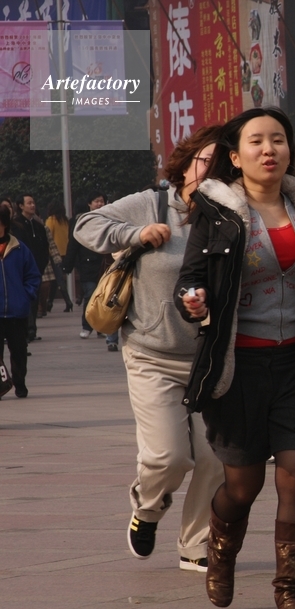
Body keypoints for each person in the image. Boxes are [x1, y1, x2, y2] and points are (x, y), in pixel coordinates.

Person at [174, 107, 295, 609]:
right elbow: (190, 278)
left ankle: (291, 594)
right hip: (237, 368)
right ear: (235, 156)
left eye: (278, 139)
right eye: (256, 141)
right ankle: (221, 551)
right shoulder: (217, 212)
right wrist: (193, 299)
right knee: (242, 486)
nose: (268, 149)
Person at [73, 126, 226, 573]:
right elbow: (86, 225)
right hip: (152, 353)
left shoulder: (231, 216)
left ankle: (196, 544)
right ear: (187, 162)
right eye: (205, 162)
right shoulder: (152, 203)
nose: (211, 173)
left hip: (210, 358)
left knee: (215, 458)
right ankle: (148, 508)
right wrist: (136, 234)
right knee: (169, 457)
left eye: (222, 168)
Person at [0, 205, 41, 398]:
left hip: (17, 311)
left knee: (19, 351)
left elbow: (33, 275)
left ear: (4, 224)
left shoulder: (19, 248)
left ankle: (19, 382)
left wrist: (26, 295)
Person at [63, 197, 109, 340]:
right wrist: (68, 265)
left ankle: (100, 327)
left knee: (103, 296)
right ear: (89, 204)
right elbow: (73, 244)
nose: (99, 204)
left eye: (102, 201)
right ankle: (87, 326)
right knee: (90, 295)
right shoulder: (82, 221)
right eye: (96, 201)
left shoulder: (108, 219)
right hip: (87, 265)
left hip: (104, 265)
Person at [11, 194, 51, 344]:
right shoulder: (16, 226)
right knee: (24, 299)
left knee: (34, 299)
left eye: (33, 203)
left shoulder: (39, 226)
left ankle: (32, 328)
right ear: (21, 206)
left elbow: (45, 247)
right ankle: (26, 329)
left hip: (36, 269)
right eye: (29, 203)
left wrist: (42, 264)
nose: (32, 205)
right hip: (21, 270)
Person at [44, 202, 73, 313]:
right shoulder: (65, 221)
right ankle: (49, 303)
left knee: (59, 279)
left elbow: (48, 236)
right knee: (56, 279)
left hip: (54, 253)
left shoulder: (51, 220)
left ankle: (68, 301)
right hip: (65, 252)